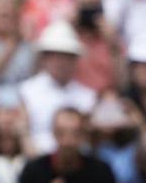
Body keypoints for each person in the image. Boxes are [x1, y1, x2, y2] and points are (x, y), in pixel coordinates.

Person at [18, 21, 97, 154]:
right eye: (53, 55)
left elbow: (89, 141)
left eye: (66, 56)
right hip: (36, 161)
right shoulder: (27, 91)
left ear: (75, 60)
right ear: (44, 58)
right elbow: (23, 132)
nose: (60, 62)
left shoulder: (88, 96)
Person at [17, 108, 116, 183]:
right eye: (61, 133)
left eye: (75, 134)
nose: (68, 141)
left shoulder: (100, 171)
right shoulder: (34, 170)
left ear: (83, 135)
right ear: (53, 133)